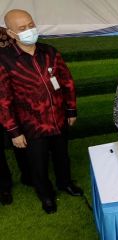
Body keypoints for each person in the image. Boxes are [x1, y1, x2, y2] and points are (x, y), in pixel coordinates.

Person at [0, 9, 83, 214]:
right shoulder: (4, 60)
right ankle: (45, 195)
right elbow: (3, 100)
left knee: (62, 155)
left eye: (30, 25)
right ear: (11, 33)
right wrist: (14, 132)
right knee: (38, 163)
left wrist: (71, 110)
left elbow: (66, 82)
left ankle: (65, 183)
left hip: (58, 118)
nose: (29, 30)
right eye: (22, 28)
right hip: (31, 125)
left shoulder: (50, 52)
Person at [0, 27, 32, 206]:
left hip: (11, 100)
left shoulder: (6, 33)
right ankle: (4, 186)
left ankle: (28, 176)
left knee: (20, 141)